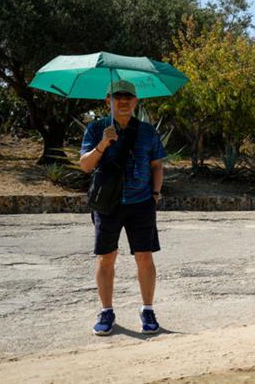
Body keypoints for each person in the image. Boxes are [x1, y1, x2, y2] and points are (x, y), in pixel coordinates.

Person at [79, 79, 166, 336]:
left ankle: (147, 309)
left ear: (136, 101)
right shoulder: (96, 129)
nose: (124, 101)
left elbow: (157, 165)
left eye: (129, 97)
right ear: (109, 101)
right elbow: (85, 165)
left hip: (141, 202)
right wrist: (102, 144)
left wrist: (155, 195)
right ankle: (106, 311)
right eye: (118, 97)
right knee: (106, 257)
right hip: (108, 204)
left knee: (145, 257)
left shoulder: (148, 132)